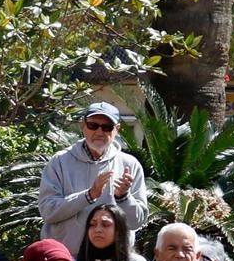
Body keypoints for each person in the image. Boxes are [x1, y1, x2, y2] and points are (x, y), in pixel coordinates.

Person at [39, 104, 150, 253]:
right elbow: (48, 212)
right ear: (83, 126)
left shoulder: (130, 165)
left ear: (117, 129)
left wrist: (124, 197)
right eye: (93, 125)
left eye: (107, 127)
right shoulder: (59, 162)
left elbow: (136, 222)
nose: (99, 132)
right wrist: (89, 195)